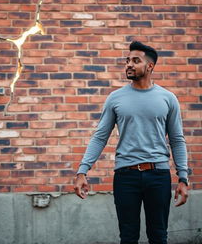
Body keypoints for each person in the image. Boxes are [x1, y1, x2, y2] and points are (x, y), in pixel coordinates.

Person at [74, 41, 189, 244]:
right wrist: (82, 171)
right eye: (127, 60)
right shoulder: (115, 98)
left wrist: (183, 178)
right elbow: (100, 136)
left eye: (136, 61)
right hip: (126, 176)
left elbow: (177, 140)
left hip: (158, 175)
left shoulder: (168, 99)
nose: (129, 64)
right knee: (128, 237)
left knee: (159, 235)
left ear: (150, 66)